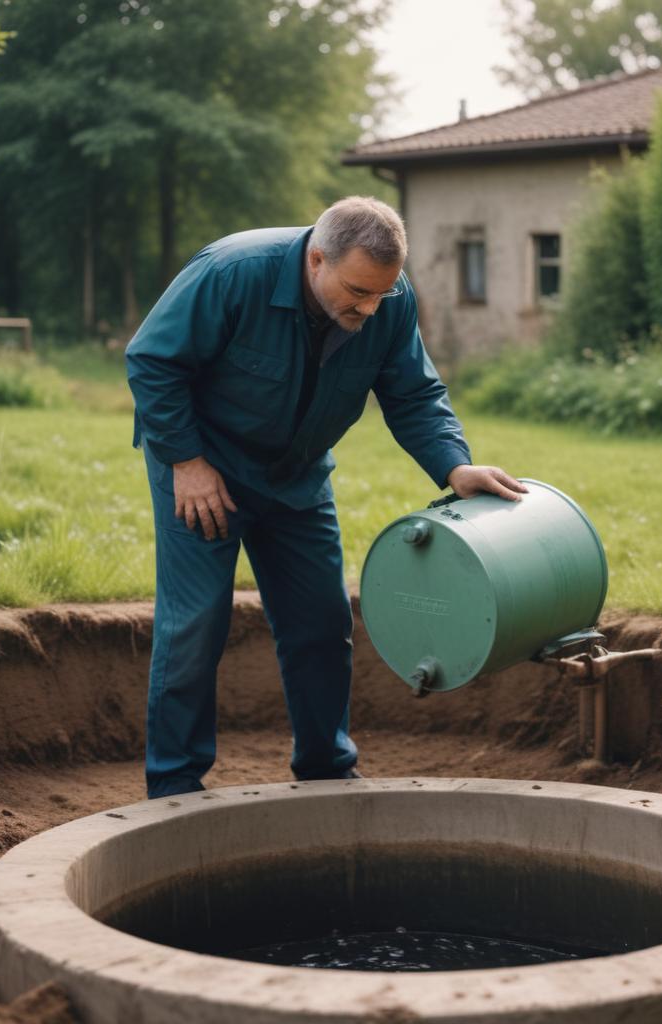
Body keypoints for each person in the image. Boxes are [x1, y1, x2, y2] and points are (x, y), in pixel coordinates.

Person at [126, 196, 526, 798]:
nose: (368, 308)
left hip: (297, 478)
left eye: (380, 295)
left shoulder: (390, 301)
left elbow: (413, 394)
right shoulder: (233, 272)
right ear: (316, 258)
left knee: (321, 622)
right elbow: (153, 360)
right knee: (196, 624)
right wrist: (186, 461)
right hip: (204, 471)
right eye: (357, 292)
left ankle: (325, 767)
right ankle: (175, 783)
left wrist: (455, 467)